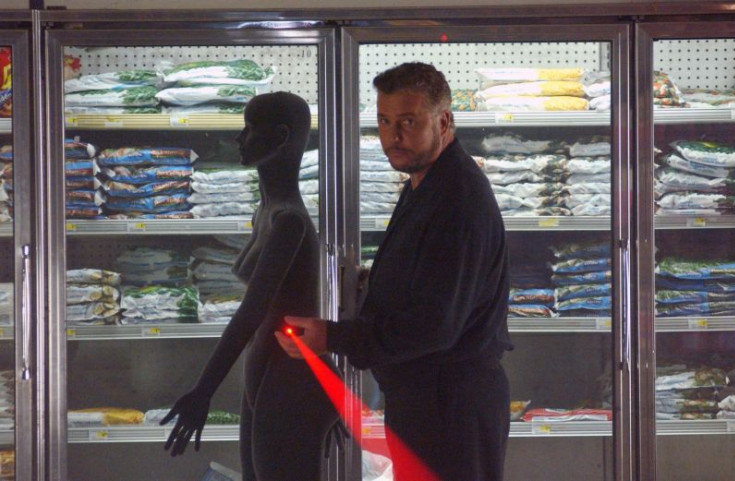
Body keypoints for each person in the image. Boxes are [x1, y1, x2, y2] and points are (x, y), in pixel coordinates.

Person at [276, 62, 513, 481]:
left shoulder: (458, 199)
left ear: (443, 122)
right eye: (384, 121)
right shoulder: (424, 183)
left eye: (408, 122)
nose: (392, 137)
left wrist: (334, 336)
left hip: (451, 411)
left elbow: (434, 326)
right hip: (426, 402)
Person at [162, 91, 339, 481]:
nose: (239, 139)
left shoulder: (289, 221)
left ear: (280, 136)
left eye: (249, 129)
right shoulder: (267, 210)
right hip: (271, 374)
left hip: (292, 380)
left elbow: (251, 313)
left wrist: (203, 391)